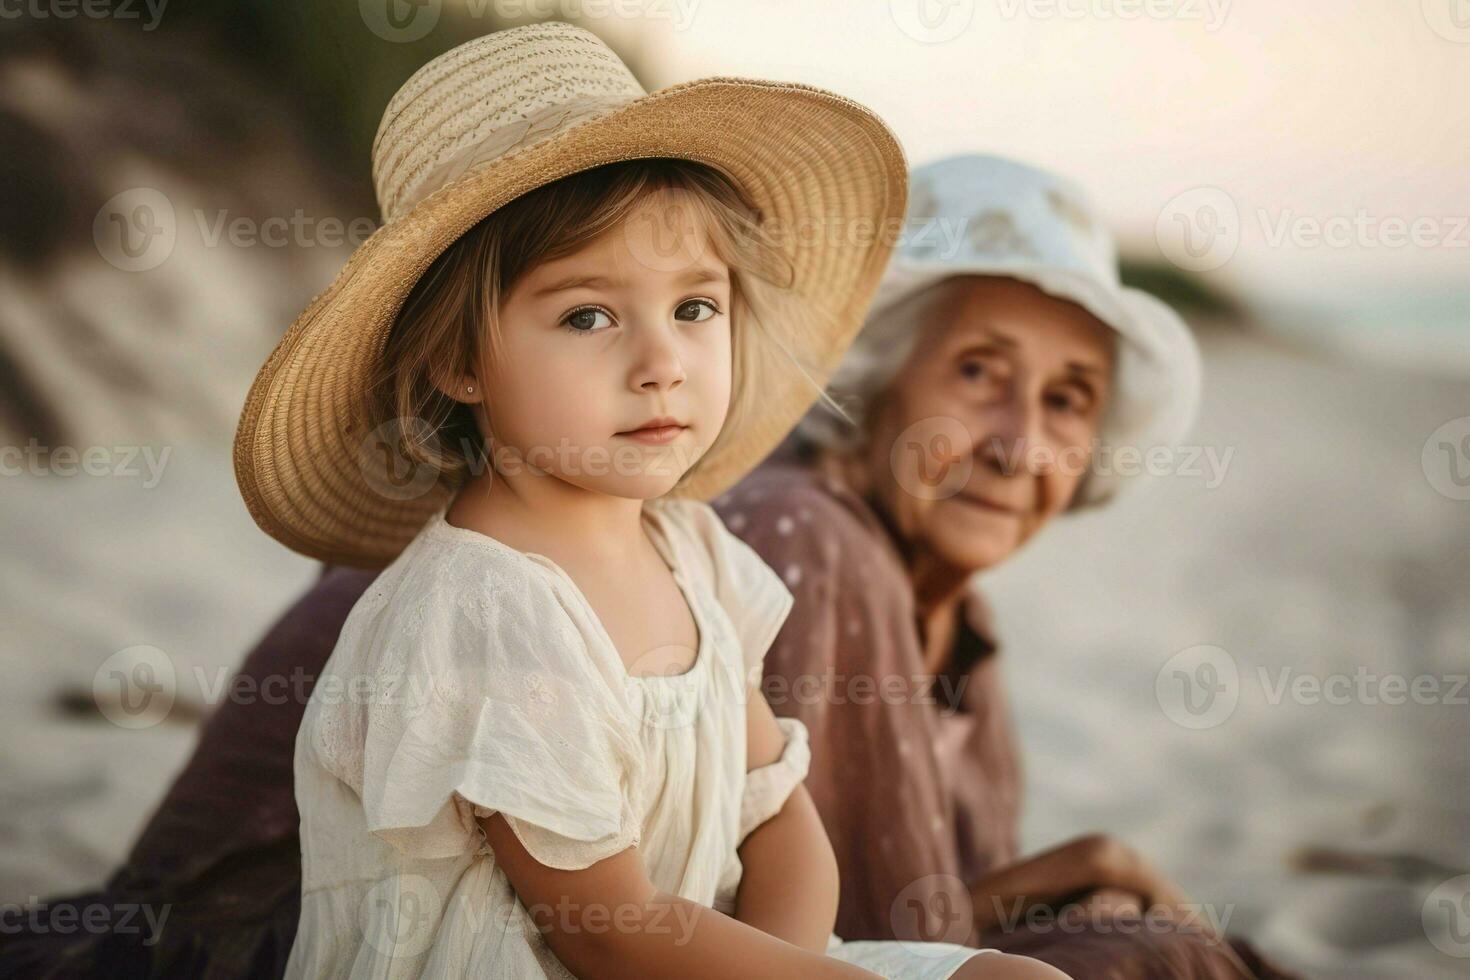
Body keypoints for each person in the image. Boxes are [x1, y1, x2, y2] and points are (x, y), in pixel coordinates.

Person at [230, 24, 1059, 980]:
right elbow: (605, 930)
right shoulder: (484, 610)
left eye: (694, 308)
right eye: (588, 316)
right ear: (458, 361)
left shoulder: (688, 547)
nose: (662, 365)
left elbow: (779, 812)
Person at [710, 154, 1292, 978]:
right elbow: (823, 947)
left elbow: (931, 918)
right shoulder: (803, 534)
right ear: (873, 377)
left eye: (1066, 398)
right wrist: (1089, 868)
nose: (1019, 446)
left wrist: (1092, 873)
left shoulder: (956, 613)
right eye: (979, 371)